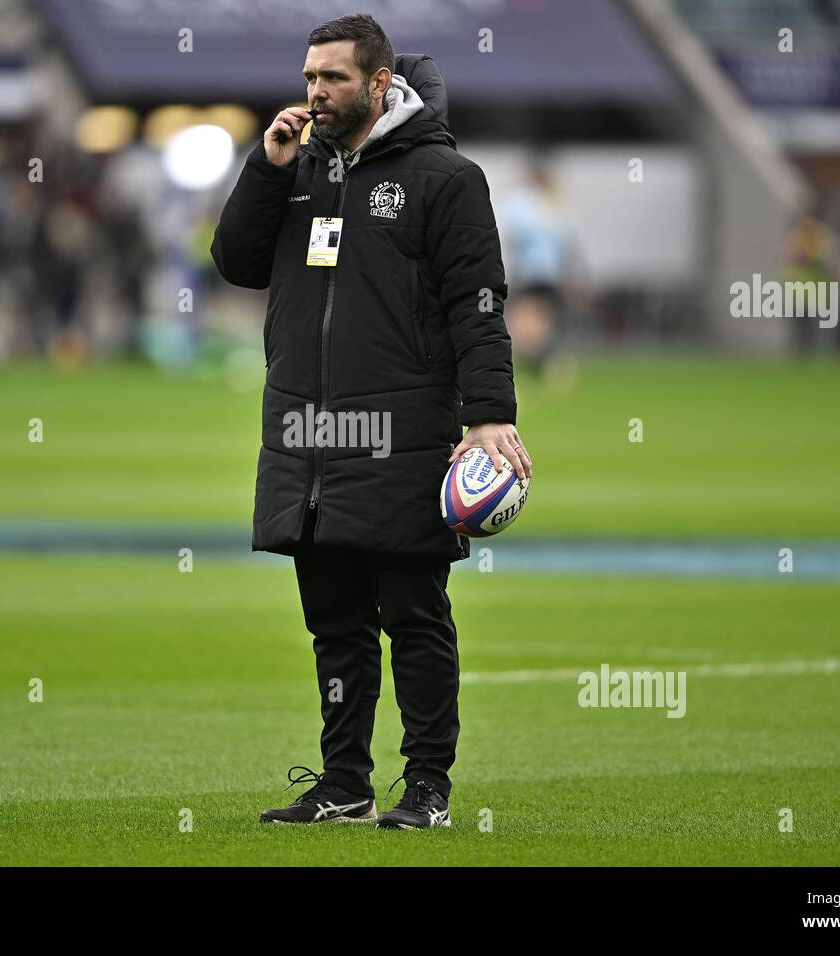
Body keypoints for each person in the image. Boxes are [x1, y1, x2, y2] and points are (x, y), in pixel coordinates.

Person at [210, 13, 530, 830]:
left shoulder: (444, 176)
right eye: (310, 77)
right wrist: (267, 168)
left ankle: (427, 788)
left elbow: (478, 303)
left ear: (379, 83)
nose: (314, 93)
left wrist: (488, 414)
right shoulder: (299, 165)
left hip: (404, 429)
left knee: (414, 616)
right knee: (335, 625)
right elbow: (237, 264)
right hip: (307, 433)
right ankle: (344, 784)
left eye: (333, 79)